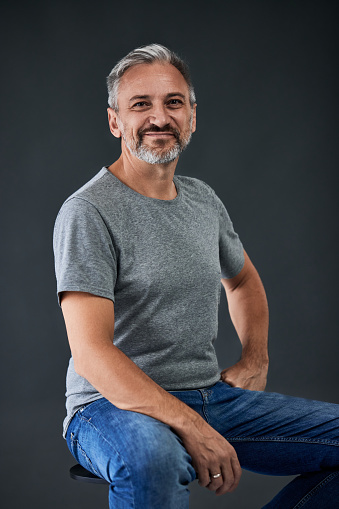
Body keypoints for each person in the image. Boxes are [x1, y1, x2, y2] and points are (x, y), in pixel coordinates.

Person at [53, 44, 339, 508]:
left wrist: (255, 359)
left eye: (173, 102)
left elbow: (243, 281)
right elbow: (91, 353)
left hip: (210, 396)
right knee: (154, 462)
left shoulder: (202, 200)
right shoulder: (88, 212)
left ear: (191, 115)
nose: (159, 117)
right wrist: (188, 425)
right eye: (140, 104)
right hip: (108, 406)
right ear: (115, 122)